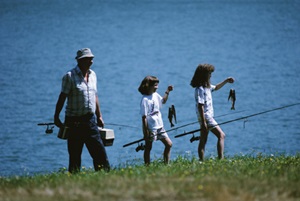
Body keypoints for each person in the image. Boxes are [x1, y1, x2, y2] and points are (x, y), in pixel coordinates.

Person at [54, 48, 110, 173]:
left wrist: (99, 116)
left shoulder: (93, 75)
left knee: (99, 152)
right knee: (75, 155)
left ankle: (104, 176)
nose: (91, 61)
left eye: (92, 59)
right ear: (80, 60)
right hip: (74, 122)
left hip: (90, 120)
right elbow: (62, 96)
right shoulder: (69, 76)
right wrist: (56, 116)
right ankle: (74, 179)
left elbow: (95, 96)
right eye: (89, 59)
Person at [190, 64, 234, 161]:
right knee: (221, 135)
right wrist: (204, 122)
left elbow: (216, 87)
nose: (211, 75)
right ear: (203, 75)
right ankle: (221, 159)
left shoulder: (207, 87)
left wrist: (226, 81)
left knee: (203, 140)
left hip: (205, 118)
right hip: (206, 117)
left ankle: (201, 161)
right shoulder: (200, 89)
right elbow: (200, 106)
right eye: (209, 73)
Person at [138, 76, 173, 165]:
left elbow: (163, 101)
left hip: (160, 126)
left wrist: (167, 92)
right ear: (148, 86)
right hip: (151, 128)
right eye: (155, 84)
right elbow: (144, 118)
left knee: (169, 144)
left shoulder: (155, 95)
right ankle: (147, 166)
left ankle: (166, 164)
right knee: (148, 148)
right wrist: (146, 132)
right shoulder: (145, 100)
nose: (157, 86)